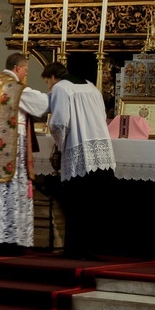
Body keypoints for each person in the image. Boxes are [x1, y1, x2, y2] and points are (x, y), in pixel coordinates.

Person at [0, 54, 49, 255]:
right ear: (18, 68)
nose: (25, 75)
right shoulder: (14, 87)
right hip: (12, 147)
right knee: (11, 189)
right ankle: (8, 240)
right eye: (25, 70)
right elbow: (41, 104)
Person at [41, 62, 116, 259]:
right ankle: (96, 248)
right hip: (101, 152)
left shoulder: (61, 88)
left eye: (47, 81)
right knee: (95, 204)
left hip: (79, 151)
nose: (49, 87)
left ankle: (77, 249)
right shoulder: (91, 87)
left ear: (52, 77)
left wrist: (58, 144)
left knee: (77, 204)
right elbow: (102, 115)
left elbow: (59, 123)